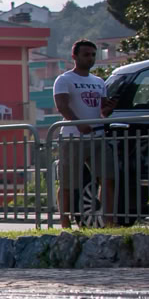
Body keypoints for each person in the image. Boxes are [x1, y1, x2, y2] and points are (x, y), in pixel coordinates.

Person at [52, 38, 113, 227]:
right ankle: (65, 220)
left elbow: (102, 109)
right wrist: (78, 123)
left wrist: (109, 110)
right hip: (73, 138)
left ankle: (108, 219)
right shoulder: (64, 79)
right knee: (69, 183)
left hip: (98, 137)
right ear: (75, 56)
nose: (90, 58)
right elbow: (61, 105)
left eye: (93, 55)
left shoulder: (99, 81)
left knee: (109, 178)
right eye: (86, 54)